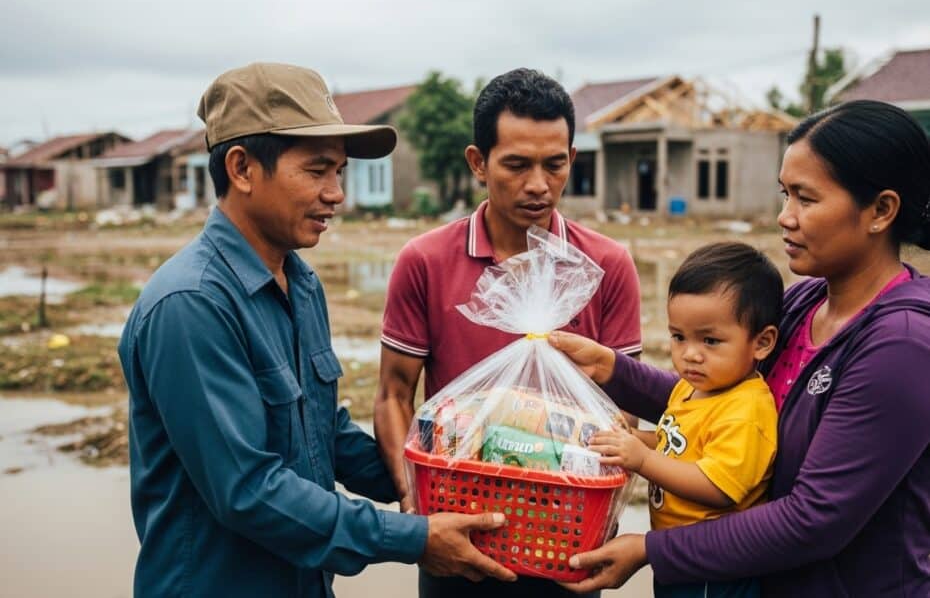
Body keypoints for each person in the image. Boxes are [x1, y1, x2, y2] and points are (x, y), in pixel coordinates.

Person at [117, 62, 516, 598]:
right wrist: (413, 537)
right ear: (241, 168)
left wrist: (444, 477)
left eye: (340, 173)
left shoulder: (299, 284)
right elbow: (248, 490)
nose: (336, 194)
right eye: (317, 170)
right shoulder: (191, 305)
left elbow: (323, 435)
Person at [548, 100, 930, 597]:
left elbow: (814, 518)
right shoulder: (805, 302)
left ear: (881, 210)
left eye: (805, 199)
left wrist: (652, 550)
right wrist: (611, 369)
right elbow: (720, 404)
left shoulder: (900, 346)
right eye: (783, 194)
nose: (784, 217)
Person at [374, 68, 642, 597]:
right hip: (457, 538)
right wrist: (417, 508)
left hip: (565, 535)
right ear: (479, 163)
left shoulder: (607, 265)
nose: (539, 185)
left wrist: (604, 505)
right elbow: (393, 394)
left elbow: (622, 408)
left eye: (555, 164)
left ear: (572, 158)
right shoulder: (425, 261)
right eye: (516, 165)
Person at [591, 242, 782, 597]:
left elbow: (717, 487)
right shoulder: (692, 388)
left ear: (762, 342)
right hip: (680, 556)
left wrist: (643, 459)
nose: (690, 355)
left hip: (715, 569)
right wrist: (631, 440)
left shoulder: (746, 411)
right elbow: (676, 443)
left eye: (710, 340)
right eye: (679, 337)